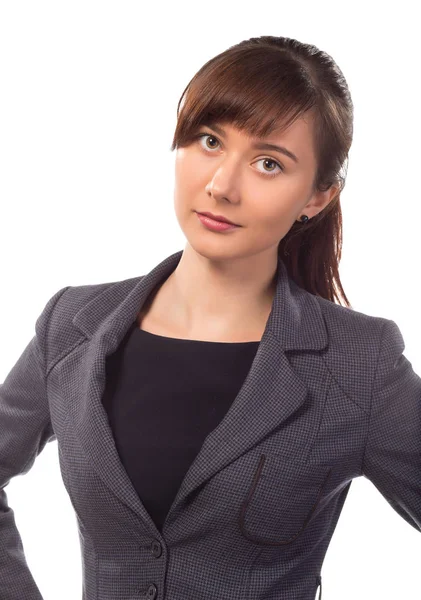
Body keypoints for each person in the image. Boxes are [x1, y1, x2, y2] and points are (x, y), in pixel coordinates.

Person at [1, 34, 420, 600]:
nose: (221, 186)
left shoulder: (358, 364)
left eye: (269, 163)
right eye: (208, 140)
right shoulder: (72, 325)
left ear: (317, 197)